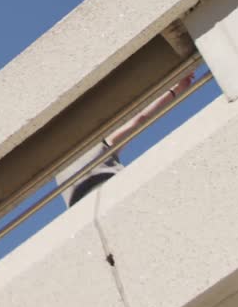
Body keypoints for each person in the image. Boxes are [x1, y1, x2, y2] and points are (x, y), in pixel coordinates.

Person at [56, 73, 194, 208]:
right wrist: (175, 90)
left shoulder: (58, 171)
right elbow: (139, 120)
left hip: (83, 213)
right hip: (113, 190)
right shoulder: (95, 145)